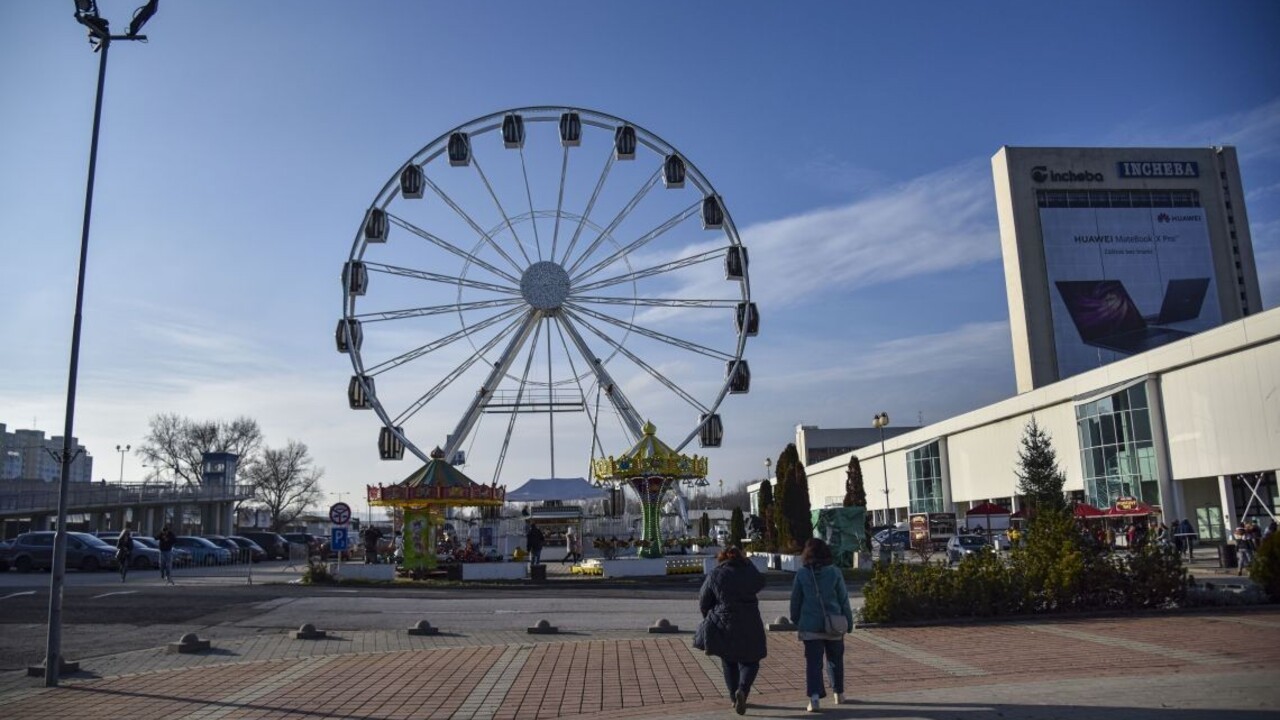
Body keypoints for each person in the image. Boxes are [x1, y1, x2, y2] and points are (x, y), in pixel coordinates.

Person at [698, 545, 766, 716]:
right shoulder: (748, 571)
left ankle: (733, 698)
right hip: (750, 619)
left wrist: (710, 615)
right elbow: (760, 582)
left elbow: (704, 600)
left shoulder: (716, 574)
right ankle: (743, 689)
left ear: (721, 559)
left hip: (724, 621)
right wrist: (748, 563)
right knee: (752, 660)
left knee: (729, 661)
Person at [790, 538, 854, 712]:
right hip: (834, 624)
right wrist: (849, 622)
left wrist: (796, 619)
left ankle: (815, 699)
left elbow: (795, 600)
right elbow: (843, 599)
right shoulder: (835, 573)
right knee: (835, 660)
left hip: (810, 627)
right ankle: (839, 694)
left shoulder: (802, 574)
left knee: (813, 664)